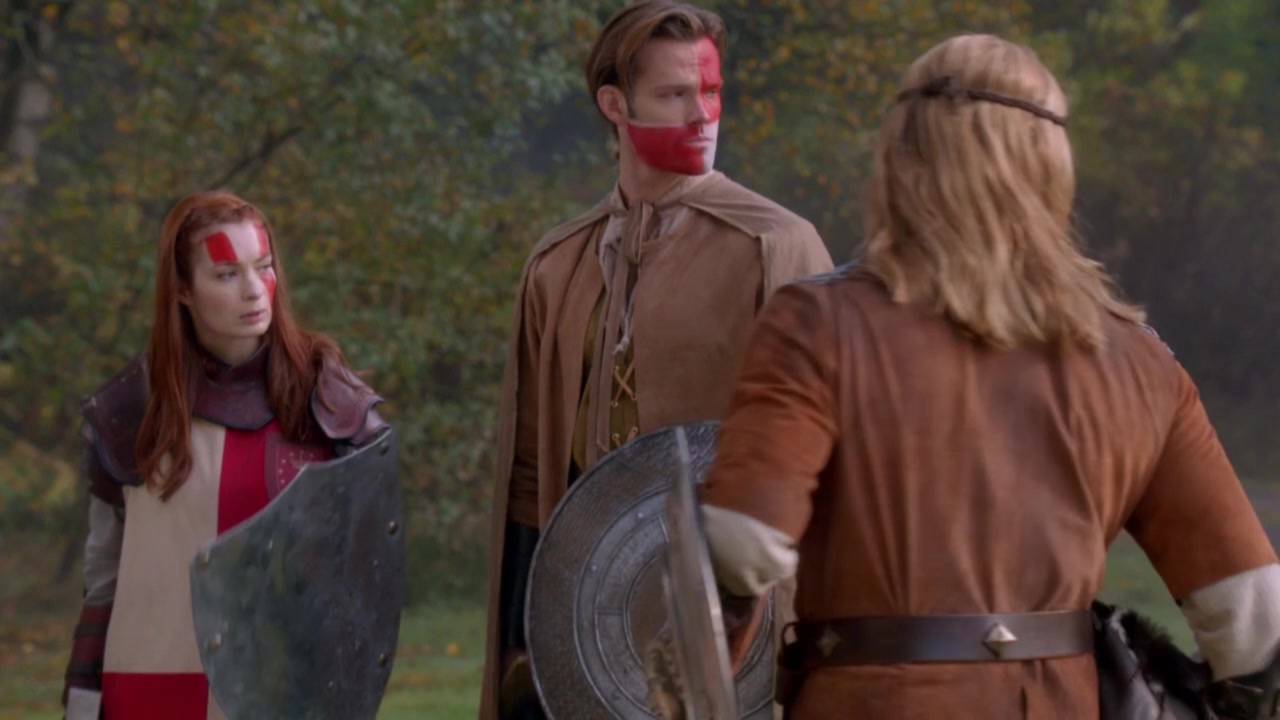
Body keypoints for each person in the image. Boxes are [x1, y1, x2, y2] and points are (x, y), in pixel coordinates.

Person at [697, 34, 1280, 719]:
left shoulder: (819, 324)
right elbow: (1253, 624)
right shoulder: (1142, 364)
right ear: (1051, 166)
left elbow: (741, 545)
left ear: (900, 160)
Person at [480, 2, 833, 716]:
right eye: (674, 95)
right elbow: (529, 477)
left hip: (738, 620)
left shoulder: (775, 246)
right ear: (615, 105)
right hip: (590, 614)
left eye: (711, 92)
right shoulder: (558, 264)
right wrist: (524, 646)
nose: (702, 115)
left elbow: (832, 462)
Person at [61, 191, 388, 719]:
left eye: (264, 266)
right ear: (183, 290)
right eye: (227, 274)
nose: (254, 290)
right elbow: (103, 580)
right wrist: (80, 701)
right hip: (149, 685)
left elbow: (366, 576)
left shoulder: (329, 404)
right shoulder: (130, 412)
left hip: (283, 691)